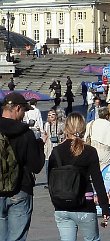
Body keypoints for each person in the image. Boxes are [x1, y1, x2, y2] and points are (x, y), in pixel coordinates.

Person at [48, 113, 110, 241]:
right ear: (83, 129)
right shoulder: (89, 151)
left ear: (66, 128)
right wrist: (105, 207)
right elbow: (98, 181)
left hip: (62, 207)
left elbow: (50, 181)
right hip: (85, 204)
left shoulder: (56, 151)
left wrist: (56, 202)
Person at [0, 92, 45, 241]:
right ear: (17, 108)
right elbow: (36, 166)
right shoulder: (25, 133)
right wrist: (40, 146)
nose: (24, 115)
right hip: (20, 189)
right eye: (24, 111)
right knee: (17, 237)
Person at [42, 109, 63, 187]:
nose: (51, 116)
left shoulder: (60, 124)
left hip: (58, 146)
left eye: (53, 114)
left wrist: (60, 134)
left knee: (58, 164)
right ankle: (49, 182)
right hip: (49, 147)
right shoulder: (47, 124)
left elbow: (64, 134)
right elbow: (45, 134)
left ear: (56, 116)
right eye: (49, 115)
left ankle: (59, 181)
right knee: (48, 165)